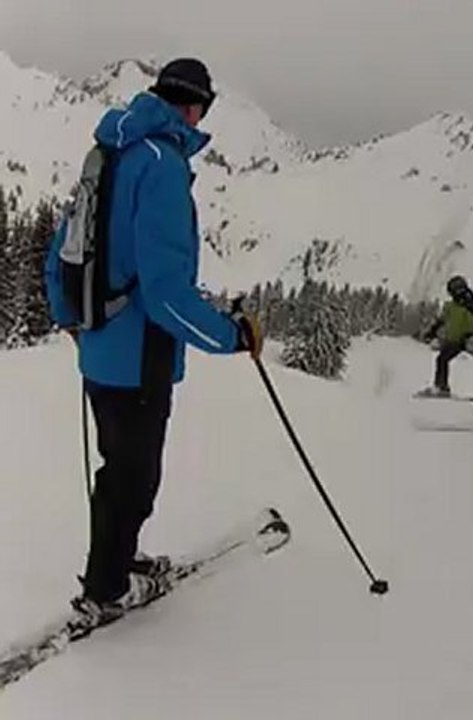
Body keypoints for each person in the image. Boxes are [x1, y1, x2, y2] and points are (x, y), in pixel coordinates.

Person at [43, 58, 262, 627]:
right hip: (141, 354)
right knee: (135, 477)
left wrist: (74, 318)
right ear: (194, 108)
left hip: (99, 344)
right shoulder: (162, 165)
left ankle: (115, 562)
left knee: (119, 469)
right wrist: (231, 336)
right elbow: (165, 293)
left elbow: (60, 251)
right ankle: (108, 588)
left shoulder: (109, 151)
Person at [416, 275, 473, 398]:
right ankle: (441, 386)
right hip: (453, 339)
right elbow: (442, 319)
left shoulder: (470, 305)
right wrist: (432, 331)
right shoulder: (451, 306)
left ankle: (442, 387)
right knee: (441, 359)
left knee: (442, 359)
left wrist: (468, 336)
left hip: (463, 340)